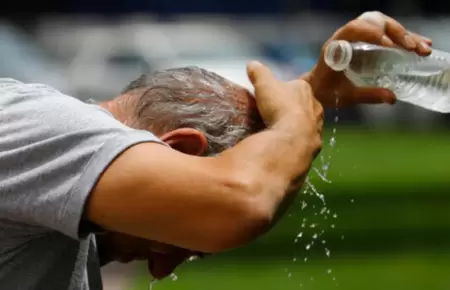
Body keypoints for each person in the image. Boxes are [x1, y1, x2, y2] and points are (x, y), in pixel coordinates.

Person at [0, 11, 432, 289]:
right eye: (183, 241)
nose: (161, 270)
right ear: (182, 150)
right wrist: (295, 125)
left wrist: (303, 101)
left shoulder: (58, 193)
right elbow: (237, 203)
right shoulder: (34, 123)